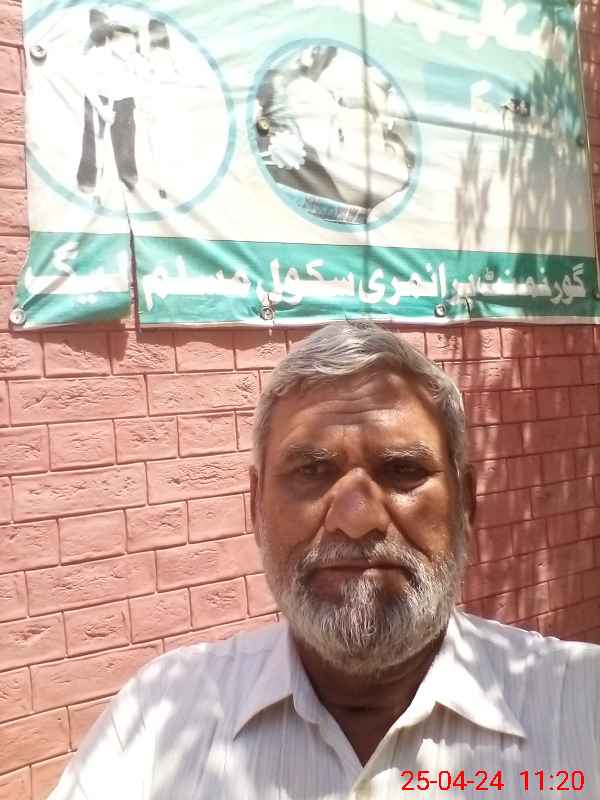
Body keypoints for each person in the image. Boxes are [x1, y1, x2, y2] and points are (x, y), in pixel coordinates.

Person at [49, 321, 599, 799]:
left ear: (466, 504)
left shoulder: (581, 703)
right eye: (312, 472)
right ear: (255, 507)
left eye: (403, 471)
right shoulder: (159, 717)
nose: (355, 519)